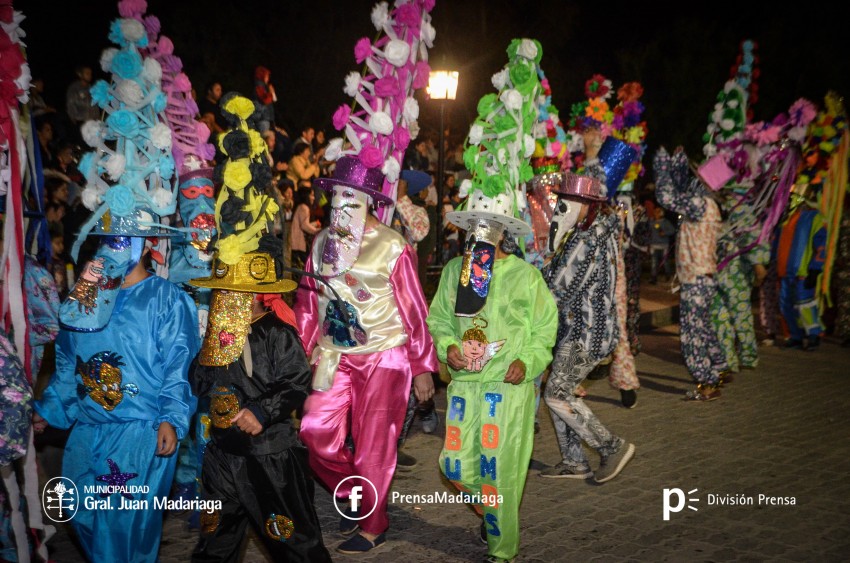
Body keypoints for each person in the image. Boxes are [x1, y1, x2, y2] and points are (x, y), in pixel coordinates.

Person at [428, 38, 558, 563]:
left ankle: (502, 550)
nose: (481, 235)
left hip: (508, 385)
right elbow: (441, 320)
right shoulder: (458, 270)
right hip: (465, 383)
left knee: (499, 469)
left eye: (491, 228)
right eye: (474, 227)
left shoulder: (527, 277)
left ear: (504, 232)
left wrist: (527, 362)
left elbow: (547, 328)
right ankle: (489, 512)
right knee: (456, 466)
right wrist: (447, 351)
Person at [33, 238, 199, 562]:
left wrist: (171, 417)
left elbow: (179, 365)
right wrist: (49, 410)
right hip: (87, 429)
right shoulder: (85, 299)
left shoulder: (166, 299)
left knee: (121, 528)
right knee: (80, 511)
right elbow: (68, 365)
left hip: (139, 433)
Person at [539, 172, 636, 480]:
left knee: (556, 393)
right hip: (584, 330)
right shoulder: (594, 232)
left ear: (587, 205)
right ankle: (574, 460)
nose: (563, 207)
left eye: (571, 201)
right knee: (559, 387)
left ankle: (610, 446)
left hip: (587, 333)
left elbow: (559, 287)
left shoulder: (588, 238)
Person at [653, 146, 729, 401]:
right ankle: (719, 368)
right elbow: (680, 193)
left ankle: (707, 383)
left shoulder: (700, 204)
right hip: (703, 277)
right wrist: (678, 166)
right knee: (704, 327)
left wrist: (663, 166)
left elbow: (666, 197)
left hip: (696, 278)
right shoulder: (709, 205)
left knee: (691, 333)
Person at [290, 186, 322, 270]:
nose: (313, 198)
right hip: (298, 242)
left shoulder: (301, 206)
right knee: (303, 266)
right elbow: (304, 226)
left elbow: (304, 224)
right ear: (306, 196)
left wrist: (314, 224)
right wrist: (317, 231)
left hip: (297, 242)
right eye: (312, 195)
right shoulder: (304, 207)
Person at [648, 206, 675, 283]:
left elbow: (672, 230)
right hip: (654, 245)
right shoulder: (652, 222)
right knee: (654, 262)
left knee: (665, 261)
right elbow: (648, 230)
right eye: (655, 212)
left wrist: (665, 233)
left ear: (661, 213)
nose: (655, 213)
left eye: (657, 212)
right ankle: (653, 278)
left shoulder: (666, 222)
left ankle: (668, 275)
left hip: (664, 245)